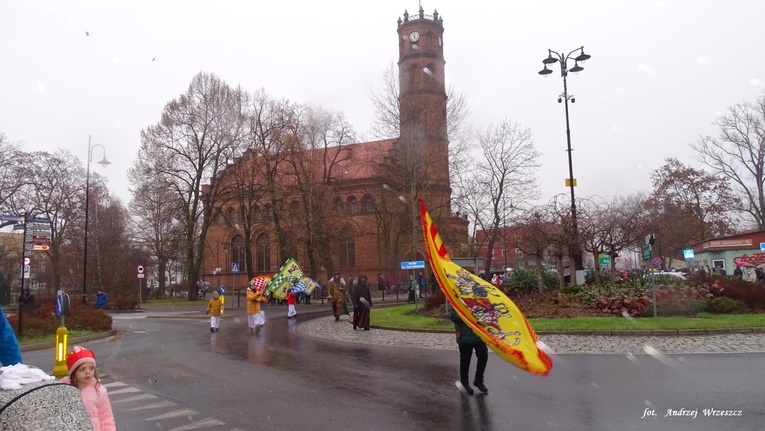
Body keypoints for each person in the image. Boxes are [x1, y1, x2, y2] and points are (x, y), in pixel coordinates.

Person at [61, 346, 116, 431]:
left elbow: (106, 419)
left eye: (91, 368)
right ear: (73, 372)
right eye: (82, 369)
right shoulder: (63, 390)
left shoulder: (100, 391)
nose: (88, 372)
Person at [449, 306, 488, 395]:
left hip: (478, 335)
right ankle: (464, 382)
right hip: (464, 335)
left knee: (483, 356)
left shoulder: (474, 300)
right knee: (465, 360)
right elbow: (453, 317)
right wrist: (467, 314)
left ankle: (478, 380)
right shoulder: (455, 300)